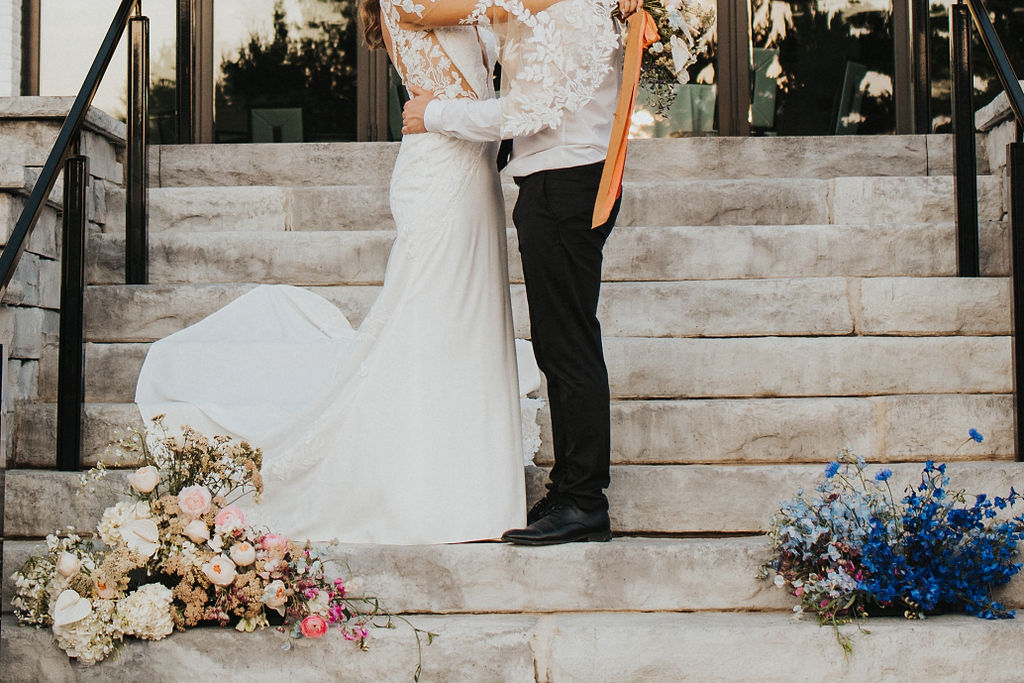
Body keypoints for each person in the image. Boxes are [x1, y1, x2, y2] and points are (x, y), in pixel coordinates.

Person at [135, 0, 543, 545]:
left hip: (472, 172)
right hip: (442, 172)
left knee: (465, 329)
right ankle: (422, 492)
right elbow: (506, 10)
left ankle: (470, 487)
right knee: (429, 324)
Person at [401, 0, 640, 545]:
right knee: (561, 344)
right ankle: (569, 487)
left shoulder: (567, 13)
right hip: (563, 179)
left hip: (565, 181)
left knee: (568, 344)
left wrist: (434, 113)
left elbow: (527, 111)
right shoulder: (568, 9)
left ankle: (584, 502)